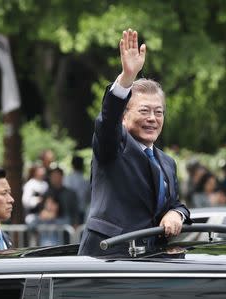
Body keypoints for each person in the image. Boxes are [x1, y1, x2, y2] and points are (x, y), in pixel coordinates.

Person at [78, 29, 191, 257]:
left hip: (150, 263)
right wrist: (126, 79)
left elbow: (175, 204)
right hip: (108, 261)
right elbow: (107, 120)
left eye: (158, 112)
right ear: (124, 116)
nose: (152, 118)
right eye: (144, 111)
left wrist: (176, 214)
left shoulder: (167, 163)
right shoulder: (113, 146)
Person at [64, 155, 90, 223]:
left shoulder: (67, 178)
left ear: (72, 164)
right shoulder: (86, 181)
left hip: (71, 211)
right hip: (78, 210)